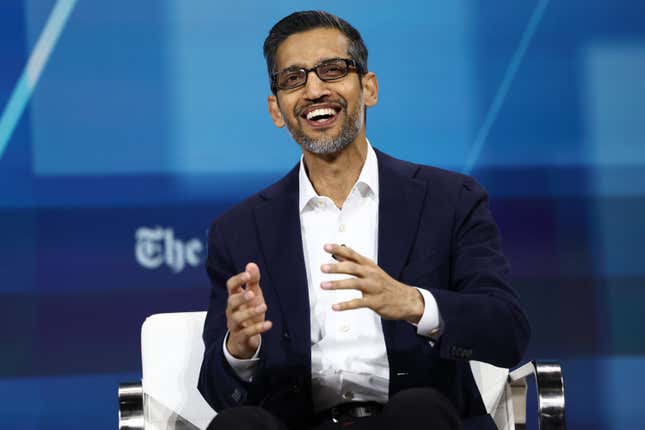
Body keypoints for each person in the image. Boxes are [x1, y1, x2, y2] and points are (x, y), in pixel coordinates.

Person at [198, 10, 530, 430]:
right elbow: (216, 390)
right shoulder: (239, 231)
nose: (314, 90)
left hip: (416, 421)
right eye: (293, 79)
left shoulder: (449, 200)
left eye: (332, 70)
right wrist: (239, 350)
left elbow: (507, 332)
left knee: (419, 412)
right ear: (276, 109)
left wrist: (415, 304)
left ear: (368, 88)